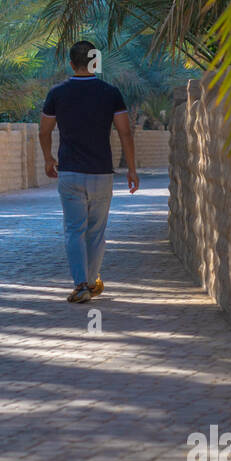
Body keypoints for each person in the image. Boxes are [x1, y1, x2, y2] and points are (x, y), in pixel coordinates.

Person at [38, 41, 139, 304]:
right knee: (96, 232)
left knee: (74, 230)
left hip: (70, 172)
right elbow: (125, 132)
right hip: (101, 174)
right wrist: (132, 168)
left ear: (71, 64)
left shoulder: (57, 93)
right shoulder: (111, 93)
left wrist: (48, 158)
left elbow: (44, 130)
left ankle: (81, 284)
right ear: (96, 63)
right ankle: (91, 282)